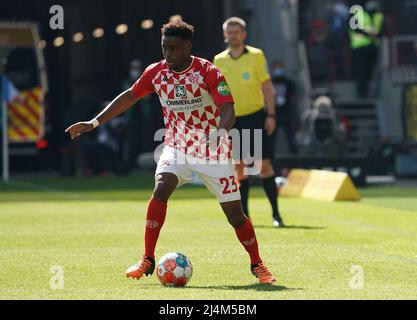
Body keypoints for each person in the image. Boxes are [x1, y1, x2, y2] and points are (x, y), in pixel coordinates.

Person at [65, 20, 276, 284]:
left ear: (187, 47)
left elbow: (228, 111)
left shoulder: (209, 72)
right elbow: (130, 96)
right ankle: (147, 259)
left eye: (174, 48)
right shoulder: (157, 72)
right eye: (164, 47)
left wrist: (219, 132)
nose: (168, 54)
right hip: (177, 147)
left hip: (213, 151)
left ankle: (257, 264)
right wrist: (93, 123)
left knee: (235, 215)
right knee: (161, 187)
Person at [214, 17, 285, 228]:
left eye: (236, 32)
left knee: (264, 166)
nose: (233, 35)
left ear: (244, 34)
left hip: (256, 116)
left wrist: (271, 115)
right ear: (225, 34)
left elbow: (267, 88)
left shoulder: (256, 55)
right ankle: (245, 218)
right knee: (239, 169)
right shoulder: (218, 60)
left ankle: (276, 215)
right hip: (232, 119)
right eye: (229, 31)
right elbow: (215, 93)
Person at [349, 0, 384, 98]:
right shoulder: (356, 11)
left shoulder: (378, 14)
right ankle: (361, 93)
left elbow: (383, 29)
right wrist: (369, 33)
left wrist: (375, 34)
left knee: (371, 72)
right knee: (362, 71)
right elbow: (354, 27)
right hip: (360, 48)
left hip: (373, 47)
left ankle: (369, 93)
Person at [270, 60, 298, 155]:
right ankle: (270, 155)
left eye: (279, 67)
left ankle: (295, 155)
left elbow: (293, 97)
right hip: (275, 113)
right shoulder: (269, 83)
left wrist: (294, 111)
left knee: (290, 135)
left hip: (287, 112)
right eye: (276, 68)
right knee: (271, 136)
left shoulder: (289, 83)